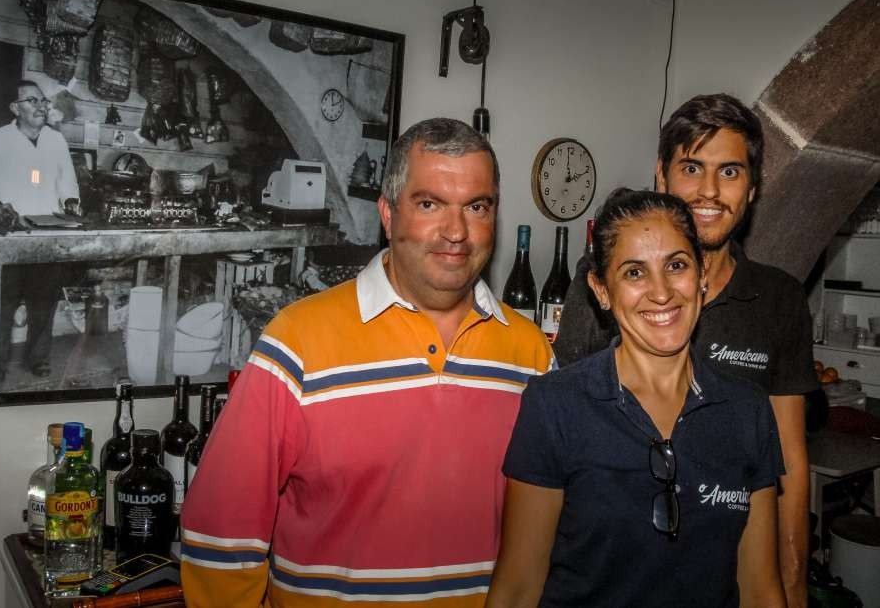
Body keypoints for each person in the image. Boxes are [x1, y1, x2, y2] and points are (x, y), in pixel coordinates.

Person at [179, 118, 555, 608]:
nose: (456, 232)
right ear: (388, 215)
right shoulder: (295, 343)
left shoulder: (533, 358)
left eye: (477, 207)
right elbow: (220, 537)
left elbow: (550, 540)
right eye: (429, 204)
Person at [555, 93, 816, 606]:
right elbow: (561, 439)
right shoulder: (606, 289)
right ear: (662, 175)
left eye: (730, 172)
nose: (709, 191)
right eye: (692, 167)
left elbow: (790, 460)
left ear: (753, 188)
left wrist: (793, 584)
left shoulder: (779, 299)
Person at [486, 188, 786, 608]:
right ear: (601, 290)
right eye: (634, 273)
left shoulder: (747, 410)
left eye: (676, 265)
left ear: (702, 273)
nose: (661, 292)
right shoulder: (555, 406)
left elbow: (761, 590)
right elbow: (518, 589)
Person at [0, 80, 80, 378]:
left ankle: (38, 358)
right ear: (15, 108)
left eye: (43, 101)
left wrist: (71, 202)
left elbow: (67, 180)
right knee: (2, 302)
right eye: (32, 101)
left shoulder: (55, 141)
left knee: (44, 300)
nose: (41, 106)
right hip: (9, 233)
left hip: (47, 233)